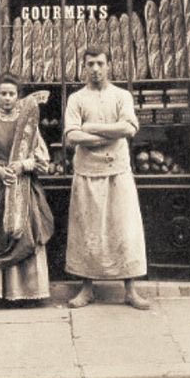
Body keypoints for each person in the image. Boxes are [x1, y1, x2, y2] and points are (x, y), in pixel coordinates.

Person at [64, 46, 149, 310]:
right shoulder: (76, 99)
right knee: (87, 231)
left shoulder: (121, 95)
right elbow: (71, 136)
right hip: (87, 173)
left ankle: (130, 290)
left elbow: (129, 127)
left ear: (109, 64)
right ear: (84, 67)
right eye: (90, 64)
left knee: (124, 229)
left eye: (100, 63)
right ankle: (86, 289)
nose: (96, 69)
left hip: (118, 172)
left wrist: (91, 129)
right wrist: (109, 136)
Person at [0, 73, 53, 308]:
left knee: (26, 233)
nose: (7, 98)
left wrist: (22, 166)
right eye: (3, 94)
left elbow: (43, 159)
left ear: (18, 97)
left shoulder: (28, 125)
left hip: (24, 186)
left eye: (12, 94)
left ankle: (27, 292)